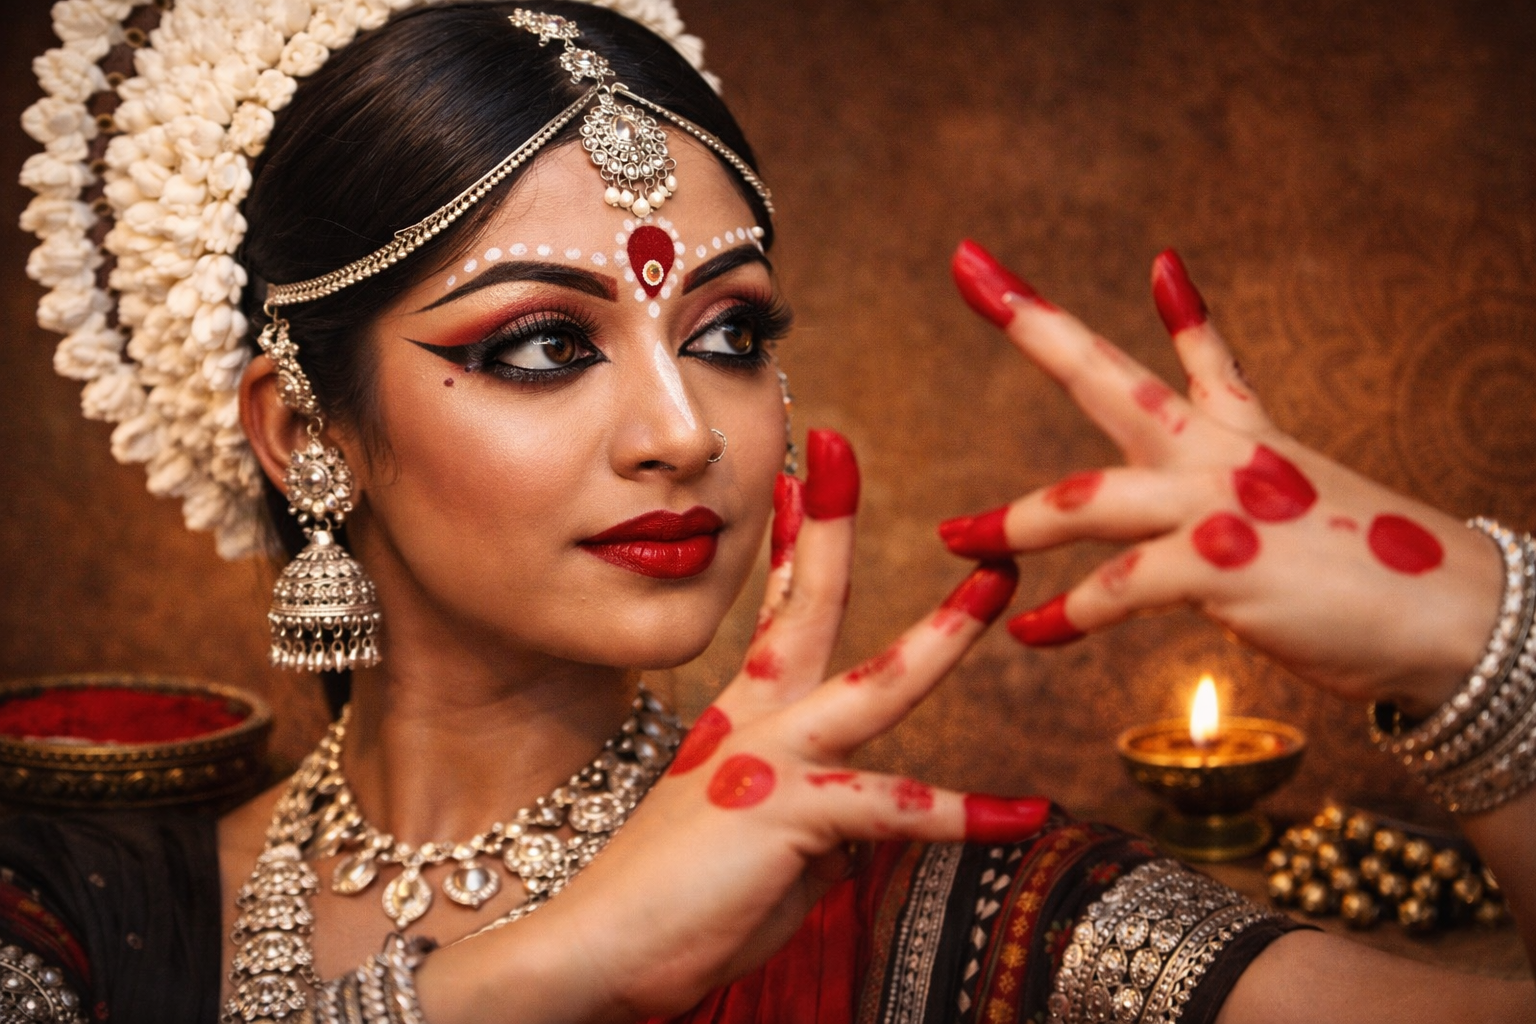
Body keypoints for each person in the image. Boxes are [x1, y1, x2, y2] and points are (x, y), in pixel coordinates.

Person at [5, 1, 1534, 1021]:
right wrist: (548, 974)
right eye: (540, 345)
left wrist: (1472, 638)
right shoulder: (74, 904)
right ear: (300, 431)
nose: (686, 434)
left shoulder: (927, 905)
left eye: (729, 335)